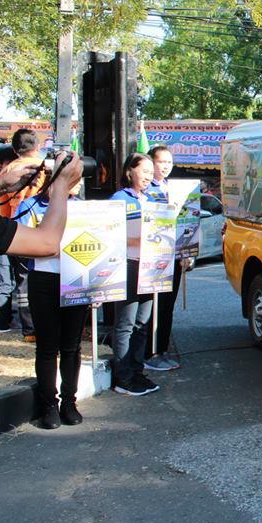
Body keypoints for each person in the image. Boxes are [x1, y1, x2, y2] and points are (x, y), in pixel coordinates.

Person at [18, 180, 88, 429]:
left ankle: (69, 403)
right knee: (47, 347)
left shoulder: (82, 207)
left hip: (76, 278)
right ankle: (49, 404)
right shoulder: (31, 206)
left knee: (71, 346)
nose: (76, 185)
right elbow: (20, 246)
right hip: (43, 280)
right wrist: (51, 249)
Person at [110, 153, 160, 396]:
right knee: (126, 324)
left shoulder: (153, 199)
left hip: (150, 267)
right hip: (127, 265)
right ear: (130, 171)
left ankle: (137, 372)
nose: (149, 176)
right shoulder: (119, 199)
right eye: (144, 171)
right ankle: (123, 378)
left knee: (142, 323)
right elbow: (109, 234)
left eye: (151, 172)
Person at [0, 129, 46, 342]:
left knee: (22, 283)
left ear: (15, 149)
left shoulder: (8, 170)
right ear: (38, 146)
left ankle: (30, 330)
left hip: (12, 234)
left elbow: (1, 206)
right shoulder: (45, 166)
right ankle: (41, 327)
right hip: (42, 233)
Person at [143, 145, 186, 371]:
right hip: (152, 258)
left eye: (169, 162)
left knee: (167, 306)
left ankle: (162, 349)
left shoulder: (175, 190)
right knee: (153, 307)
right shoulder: (145, 190)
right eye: (161, 162)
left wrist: (187, 253)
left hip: (174, 257)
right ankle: (149, 353)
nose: (166, 166)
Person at [0, 144, 18, 331]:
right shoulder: (5, 177)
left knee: (6, 280)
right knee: (5, 280)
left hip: (9, 232)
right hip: (7, 234)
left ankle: (4, 320)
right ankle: (2, 322)